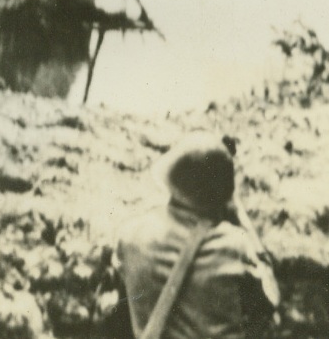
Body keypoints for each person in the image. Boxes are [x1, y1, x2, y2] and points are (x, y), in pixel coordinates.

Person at [115, 133, 279, 339]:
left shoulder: (131, 234)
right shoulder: (234, 246)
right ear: (222, 194)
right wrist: (239, 214)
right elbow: (270, 302)